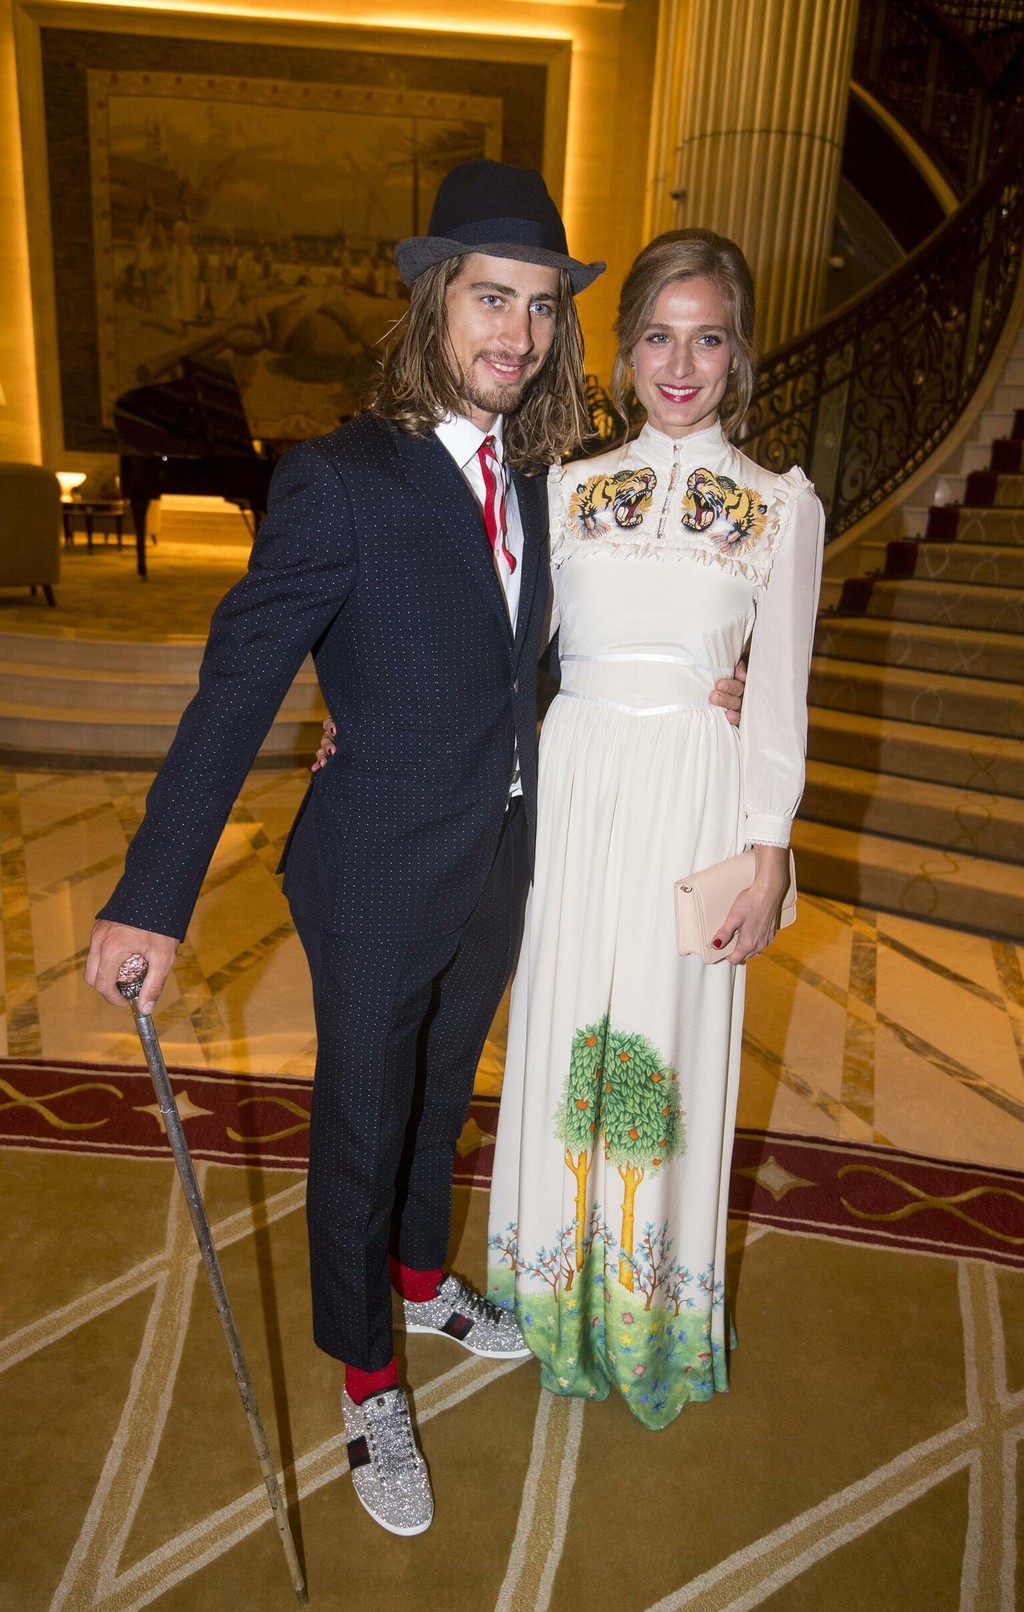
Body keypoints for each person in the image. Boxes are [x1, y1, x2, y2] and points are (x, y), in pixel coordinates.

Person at [84, 163, 744, 1536]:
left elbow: (565, 648)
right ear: (435, 300)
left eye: (543, 308)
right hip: (377, 862)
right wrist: (153, 898)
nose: (520, 333)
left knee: (442, 1094)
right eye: (493, 299)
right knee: (363, 1119)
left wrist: (710, 680)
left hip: (499, 853)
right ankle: (367, 1375)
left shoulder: (548, 483)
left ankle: (421, 1279)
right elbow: (237, 688)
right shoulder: (339, 479)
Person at [484, 229, 825, 1430]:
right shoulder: (564, 491)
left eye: (707, 338)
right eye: (658, 337)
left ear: (738, 354)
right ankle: (544, 1296)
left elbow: (777, 695)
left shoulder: (781, 507)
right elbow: (500, 656)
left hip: (693, 795)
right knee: (562, 1027)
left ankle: (647, 1313)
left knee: (664, 1053)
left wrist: (768, 847)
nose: (681, 365)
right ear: (624, 351)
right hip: (575, 786)